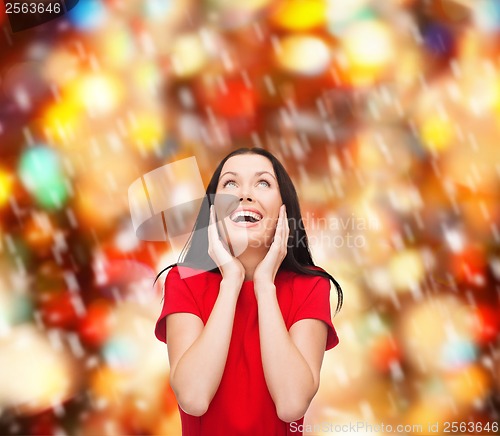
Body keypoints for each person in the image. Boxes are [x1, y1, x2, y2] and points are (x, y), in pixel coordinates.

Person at [154, 147, 342, 435]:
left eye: (263, 183)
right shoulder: (184, 282)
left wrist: (265, 285)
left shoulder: (311, 287)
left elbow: (291, 404)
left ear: (284, 209)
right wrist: (231, 280)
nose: (245, 195)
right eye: (230, 183)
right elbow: (193, 398)